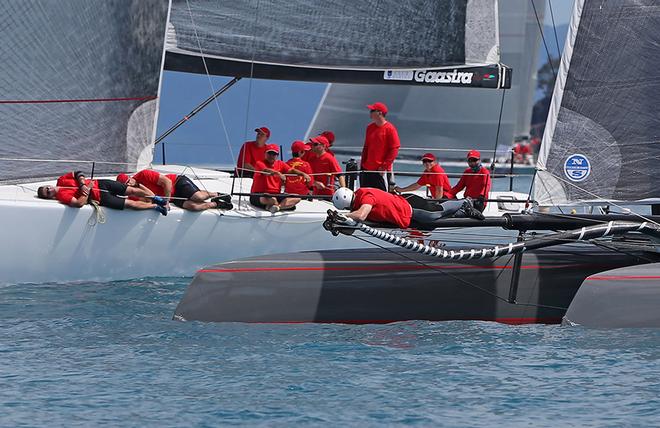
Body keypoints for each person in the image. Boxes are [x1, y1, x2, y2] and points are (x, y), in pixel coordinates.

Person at [331, 187, 484, 229]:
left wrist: (345, 216)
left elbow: (361, 215)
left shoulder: (364, 197)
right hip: (405, 203)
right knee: (430, 226)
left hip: (409, 206)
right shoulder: (360, 198)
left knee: (434, 214)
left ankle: (464, 202)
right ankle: (464, 212)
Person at [37, 171, 167, 215]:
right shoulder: (61, 196)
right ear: (50, 197)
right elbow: (78, 204)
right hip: (102, 198)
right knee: (130, 204)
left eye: (47, 188)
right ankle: (155, 206)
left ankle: (156, 198)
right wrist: (87, 191)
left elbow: (77, 173)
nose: (49, 190)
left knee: (132, 190)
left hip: (102, 184)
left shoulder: (61, 180)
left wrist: (82, 184)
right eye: (47, 193)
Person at [116, 169, 231, 211]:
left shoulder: (144, 174)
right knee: (194, 207)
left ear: (130, 177)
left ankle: (216, 194)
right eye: (127, 185)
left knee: (198, 197)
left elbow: (167, 182)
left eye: (129, 180)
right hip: (172, 198)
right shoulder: (132, 195)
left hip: (176, 183)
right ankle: (217, 204)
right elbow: (147, 201)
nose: (130, 184)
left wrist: (165, 201)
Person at [250, 144, 311, 213]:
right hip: (260, 194)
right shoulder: (259, 163)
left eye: (274, 154)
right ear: (265, 154)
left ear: (277, 155)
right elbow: (265, 170)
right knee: (272, 199)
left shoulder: (281, 163)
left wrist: (303, 174)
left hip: (276, 194)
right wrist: (279, 173)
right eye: (269, 153)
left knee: (297, 198)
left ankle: (277, 207)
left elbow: (291, 170)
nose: (271, 156)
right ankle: (282, 206)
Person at [360, 102, 400, 191]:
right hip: (366, 168)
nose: (370, 112)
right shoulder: (369, 127)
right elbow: (366, 147)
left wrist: (384, 167)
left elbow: (394, 149)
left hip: (379, 170)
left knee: (381, 196)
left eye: (372, 110)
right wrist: (362, 164)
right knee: (365, 193)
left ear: (380, 113)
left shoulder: (390, 129)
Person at [284, 140, 314, 207]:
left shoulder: (286, 164)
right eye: (304, 151)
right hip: (302, 197)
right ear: (301, 152)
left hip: (288, 196)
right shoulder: (306, 165)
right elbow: (310, 183)